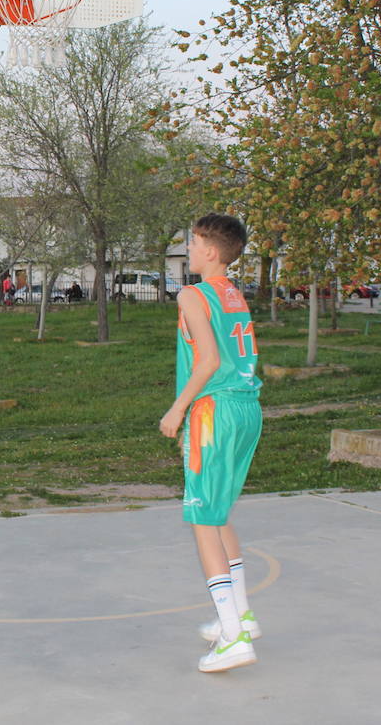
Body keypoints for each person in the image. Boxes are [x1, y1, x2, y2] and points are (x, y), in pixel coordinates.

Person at [158, 214, 263, 673]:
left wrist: (178, 408)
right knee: (219, 514)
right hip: (246, 407)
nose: (190, 247)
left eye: (195, 242)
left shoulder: (192, 294)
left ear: (212, 252)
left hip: (213, 412)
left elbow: (208, 360)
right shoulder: (233, 292)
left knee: (203, 519)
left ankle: (234, 639)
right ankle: (240, 617)